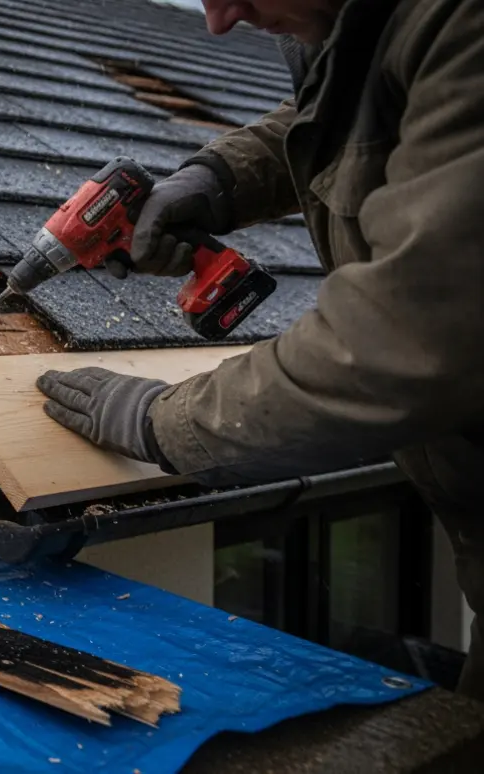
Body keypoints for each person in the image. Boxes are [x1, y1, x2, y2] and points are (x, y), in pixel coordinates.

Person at [34, 0, 484, 699]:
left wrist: (159, 422)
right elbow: (340, 113)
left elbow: (401, 347)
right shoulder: (364, 25)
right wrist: (216, 179)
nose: (219, 21)